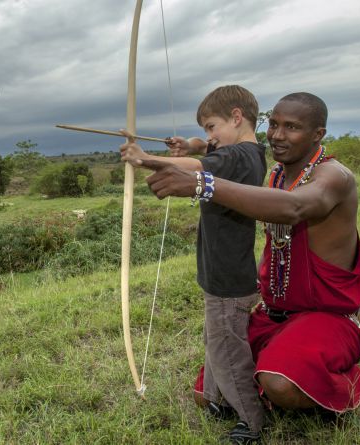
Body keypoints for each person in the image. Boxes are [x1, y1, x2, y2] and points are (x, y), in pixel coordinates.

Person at [142, 92, 360, 418]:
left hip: (326, 318)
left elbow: (295, 207)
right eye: (273, 124)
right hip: (273, 316)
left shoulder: (335, 176)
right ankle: (278, 375)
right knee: (210, 393)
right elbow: (220, 151)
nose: (277, 135)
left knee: (279, 382)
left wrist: (203, 184)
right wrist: (193, 147)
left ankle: (344, 383)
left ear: (317, 134)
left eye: (291, 127)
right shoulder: (277, 175)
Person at [120, 85, 268, 444]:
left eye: (212, 126)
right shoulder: (247, 151)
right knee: (216, 339)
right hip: (225, 273)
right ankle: (218, 400)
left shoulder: (239, 157)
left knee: (228, 350)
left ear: (236, 116)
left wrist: (146, 159)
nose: (209, 136)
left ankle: (251, 422)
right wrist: (193, 143)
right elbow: (206, 151)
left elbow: (200, 165)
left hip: (228, 279)